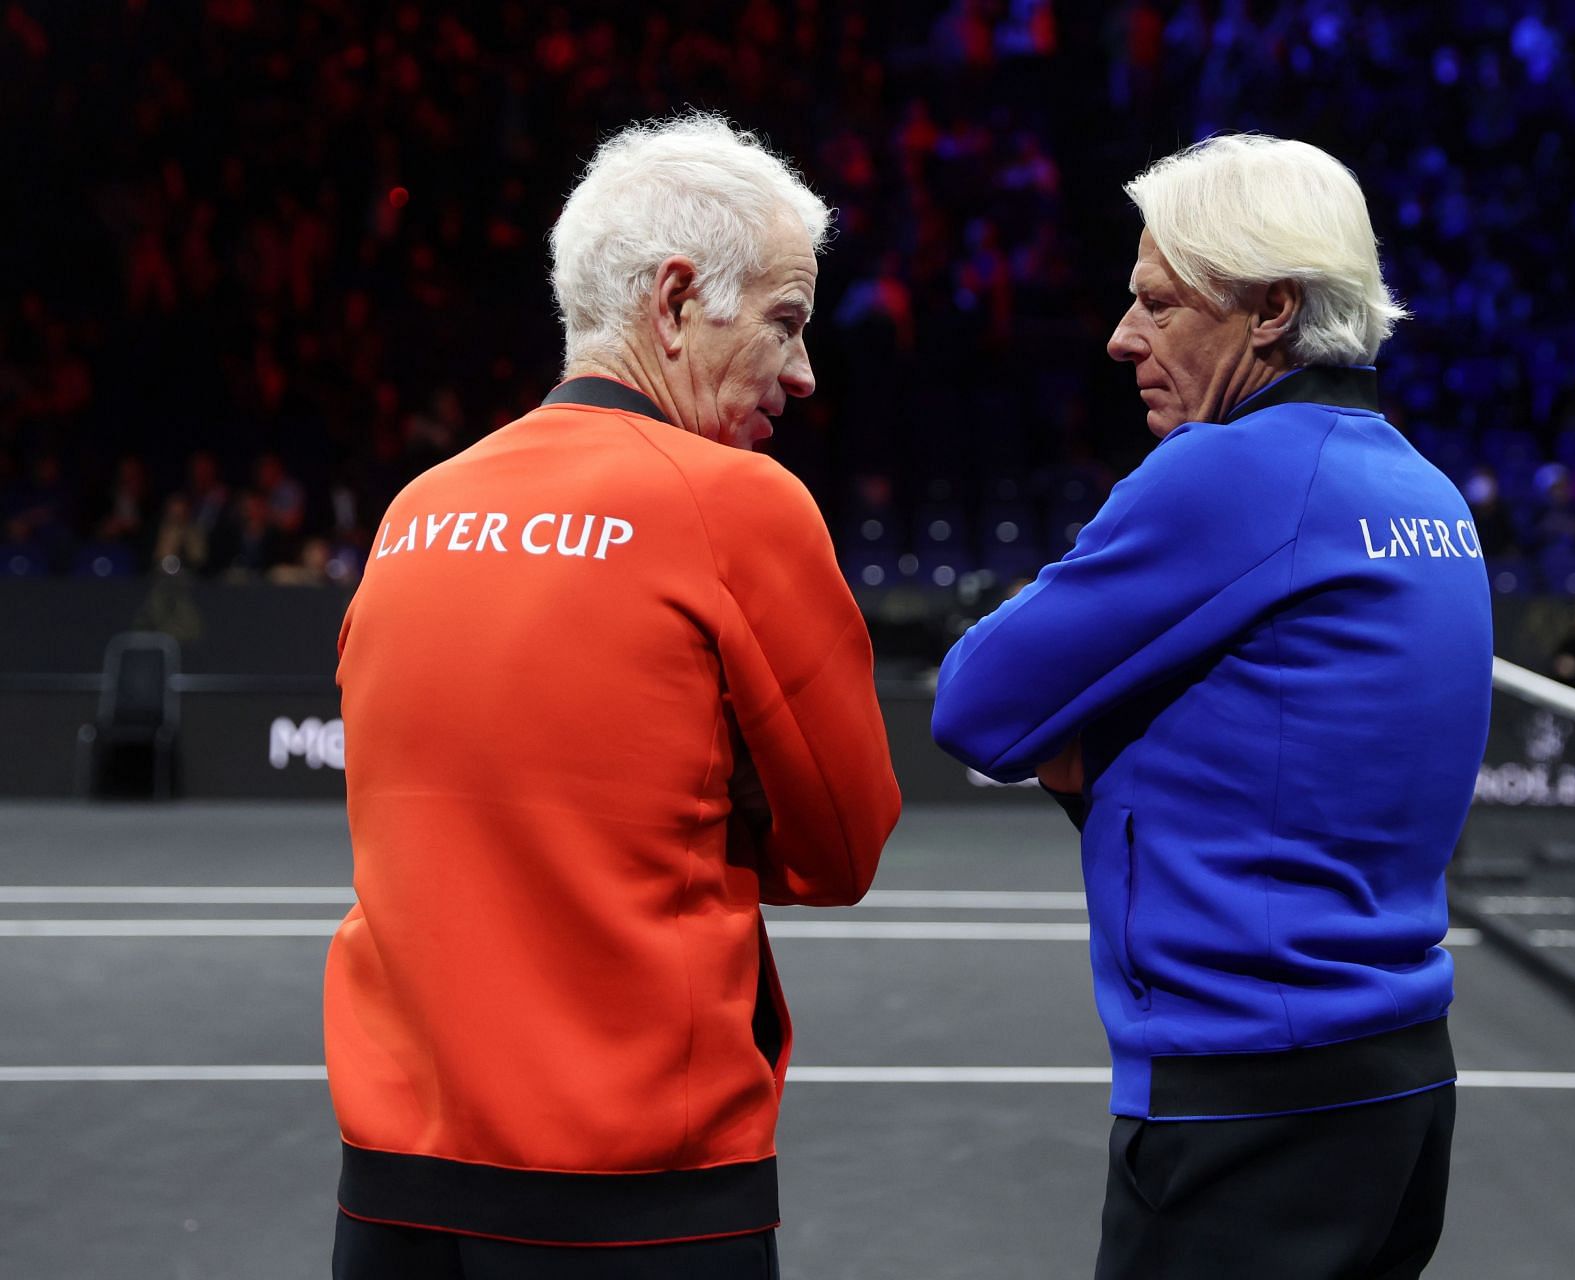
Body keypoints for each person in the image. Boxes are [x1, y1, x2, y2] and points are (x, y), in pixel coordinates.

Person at [326, 113, 901, 1279]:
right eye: (786, 321)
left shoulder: (414, 509)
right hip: (639, 1197)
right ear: (679, 300)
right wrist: (708, 810)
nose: (802, 372)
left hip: (394, 1191)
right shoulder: (740, 504)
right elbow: (840, 847)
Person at [932, 135, 1492, 1279]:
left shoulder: (1227, 471)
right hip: (1400, 1091)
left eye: (1157, 303)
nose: (1121, 336)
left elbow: (978, 703)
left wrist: (1097, 747)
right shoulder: (1426, 491)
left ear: (1271, 308)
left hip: (1244, 1105)